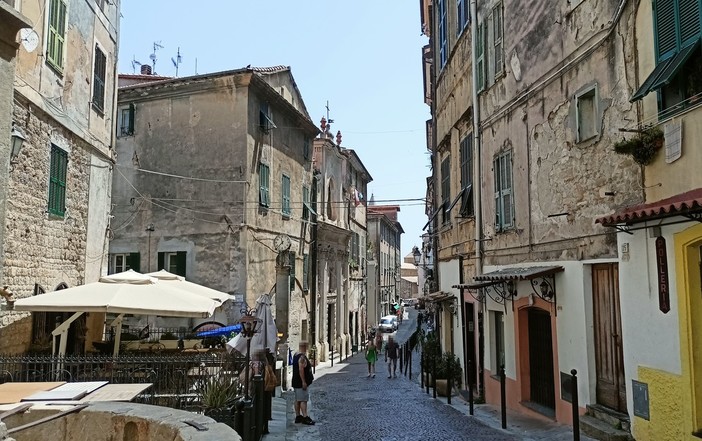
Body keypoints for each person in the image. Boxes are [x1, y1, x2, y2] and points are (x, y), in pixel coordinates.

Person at [291, 341, 315, 425]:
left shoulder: (296, 355)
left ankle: (298, 416)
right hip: (300, 382)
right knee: (303, 400)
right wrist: (304, 382)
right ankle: (305, 417)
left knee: (297, 399)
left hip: (295, 381)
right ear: (305, 347)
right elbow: (301, 370)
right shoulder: (302, 357)